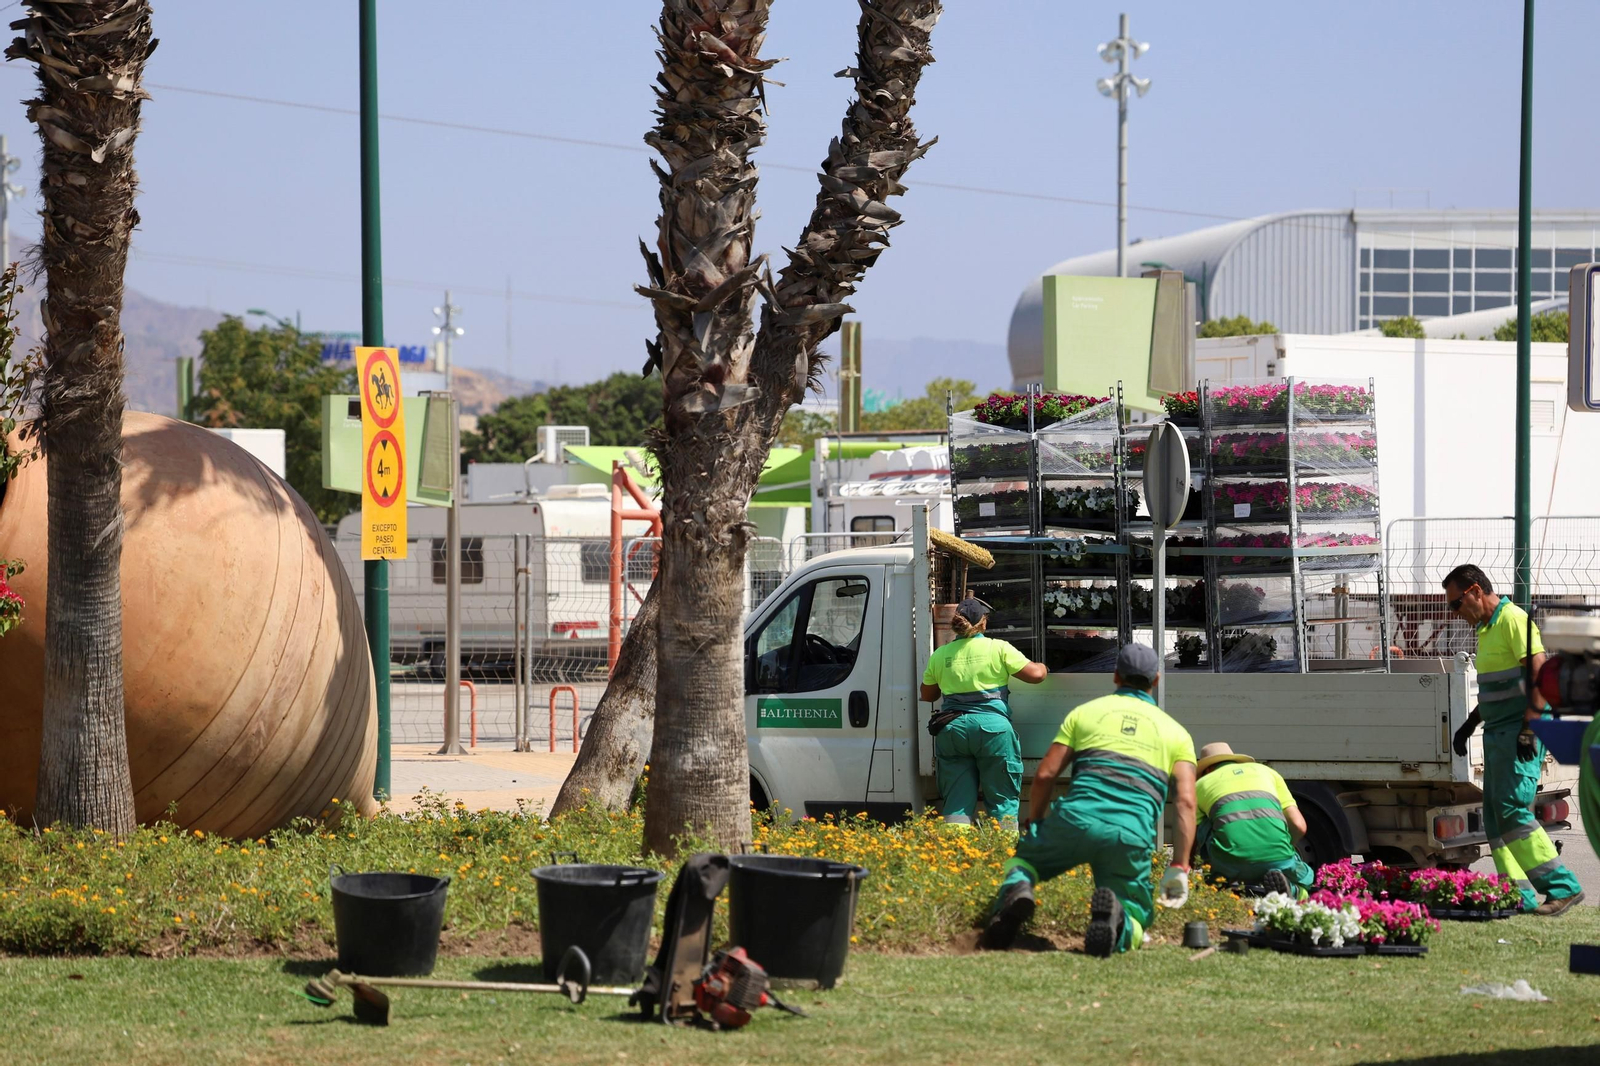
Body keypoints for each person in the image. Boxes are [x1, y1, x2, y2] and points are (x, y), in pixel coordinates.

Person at [983, 644, 1197, 957]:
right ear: (1157, 680)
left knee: (1024, 863)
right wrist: (1179, 866)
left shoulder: (1086, 713)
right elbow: (1187, 802)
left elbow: (1045, 775)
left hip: (1075, 820)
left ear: (1115, 676)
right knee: (1138, 915)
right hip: (1131, 834)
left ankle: (1017, 892)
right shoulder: (1177, 734)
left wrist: (1039, 822)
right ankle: (1121, 919)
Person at [1444, 563, 1584, 915]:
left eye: (1456, 604)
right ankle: (1517, 894)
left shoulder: (1512, 620)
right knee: (1494, 816)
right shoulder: (1487, 630)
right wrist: (1467, 726)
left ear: (1475, 591)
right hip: (1498, 733)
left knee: (1512, 811)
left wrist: (1530, 726)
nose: (1456, 614)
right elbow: (1496, 691)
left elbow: (1539, 670)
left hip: (1519, 733)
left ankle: (1562, 887)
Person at [919, 597, 1047, 830]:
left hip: (952, 730)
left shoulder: (941, 654)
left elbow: (927, 695)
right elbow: (1036, 676)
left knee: (956, 802)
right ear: (982, 624)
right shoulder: (998, 648)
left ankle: (954, 855)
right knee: (1002, 798)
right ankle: (1001, 854)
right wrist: (1044, 667)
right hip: (993, 731)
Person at [1193, 742, 1313, 899]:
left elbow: (1192, 836)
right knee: (1302, 872)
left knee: (1205, 823)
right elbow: (1299, 825)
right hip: (1278, 858)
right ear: (1234, 760)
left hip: (1229, 863)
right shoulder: (1268, 773)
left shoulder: (1199, 785)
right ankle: (1296, 892)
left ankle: (1218, 884)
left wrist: (1190, 866)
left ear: (1207, 770)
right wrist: (1282, 848)